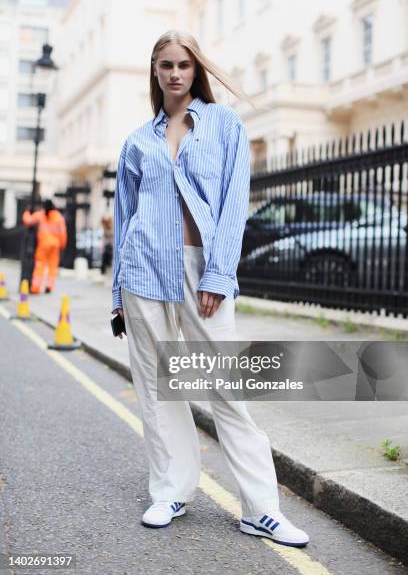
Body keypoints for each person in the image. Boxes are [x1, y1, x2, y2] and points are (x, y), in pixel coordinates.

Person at [111, 29, 309, 548]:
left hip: (202, 269)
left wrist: (219, 274)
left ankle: (261, 509)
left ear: (196, 70)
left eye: (184, 65)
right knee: (157, 388)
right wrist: (116, 296)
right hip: (143, 270)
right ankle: (172, 490)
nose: (175, 74)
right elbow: (123, 219)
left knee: (227, 386)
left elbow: (233, 204)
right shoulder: (137, 140)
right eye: (165, 66)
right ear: (153, 72)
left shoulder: (224, 124)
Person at [22, 199, 67, 294]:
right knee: (52, 267)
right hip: (55, 245)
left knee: (39, 265)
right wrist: (63, 245)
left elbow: (28, 221)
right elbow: (63, 232)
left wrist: (26, 212)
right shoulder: (59, 217)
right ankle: (49, 286)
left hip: (43, 244)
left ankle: (35, 287)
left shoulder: (40, 214)